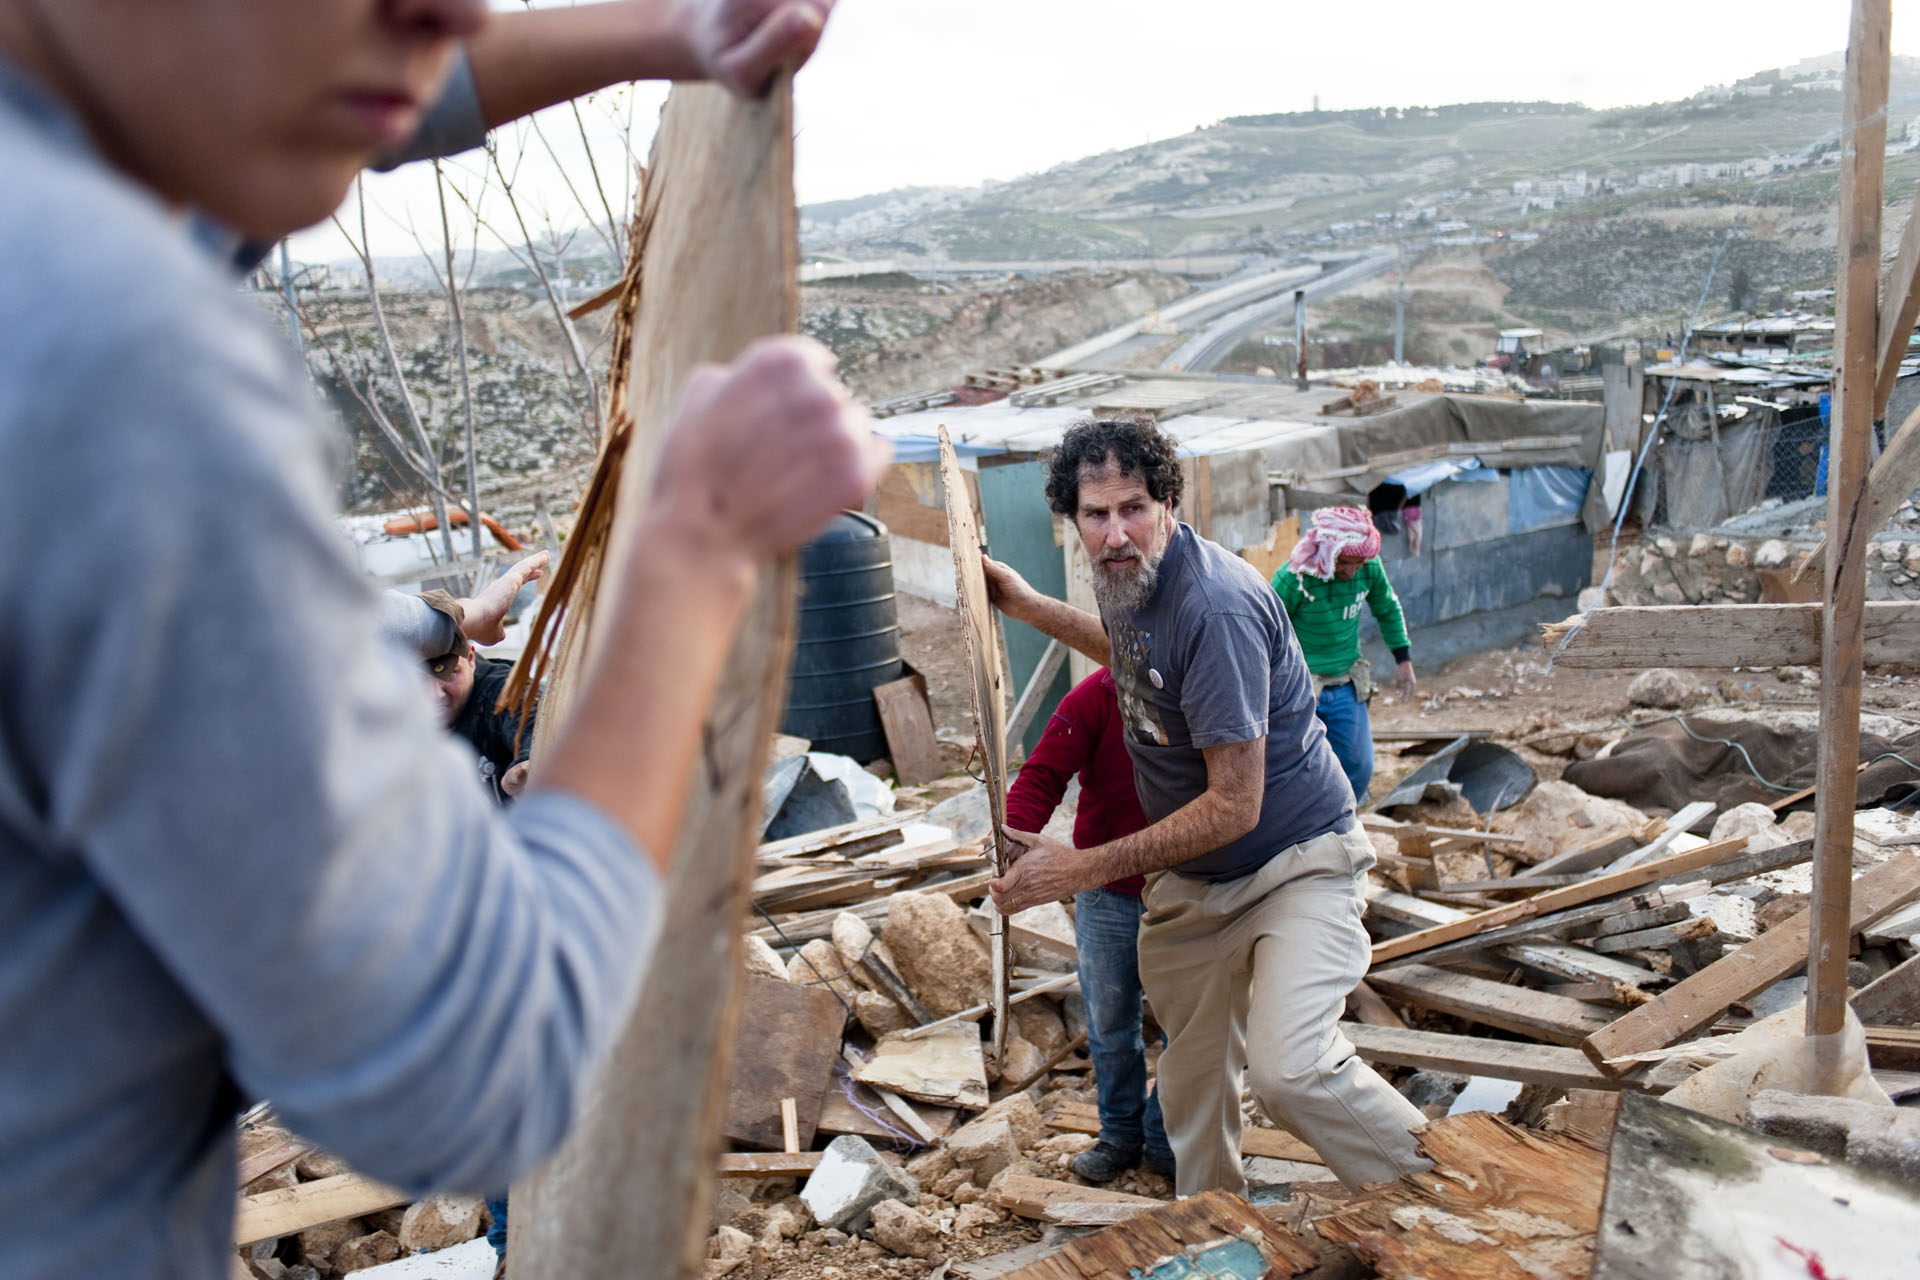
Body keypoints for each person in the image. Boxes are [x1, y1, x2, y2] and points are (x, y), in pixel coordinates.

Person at [0, 3, 883, 1277]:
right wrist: (692, 546)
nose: (455, 8)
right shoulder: (118, 358)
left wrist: (673, 32)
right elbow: (476, 1069)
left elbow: (354, 84)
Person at [981, 418, 1428, 1196]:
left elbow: (1234, 807)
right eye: (1096, 514)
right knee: (1189, 1093)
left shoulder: (1213, 606)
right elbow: (1141, 660)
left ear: (1169, 504)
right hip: (1196, 886)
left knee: (1293, 1072)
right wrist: (1026, 605)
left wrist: (1078, 869)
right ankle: (1218, 1226)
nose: (1116, 532)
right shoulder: (1130, 581)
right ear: (1073, 519)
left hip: (1295, 866)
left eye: (1134, 508)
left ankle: (1446, 1199)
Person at [1003, 669, 1175, 1184]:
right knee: (1109, 1026)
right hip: (1106, 895)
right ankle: (1120, 1135)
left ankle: (1167, 1141)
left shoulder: (1201, 688)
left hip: (1187, 891)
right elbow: (1041, 775)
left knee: (1185, 1031)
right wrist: (1014, 837)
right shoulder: (1095, 696)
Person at [1268, 506, 1417, 803]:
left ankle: (1345, 821)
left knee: (1358, 766)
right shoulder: (1293, 580)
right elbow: (1264, 634)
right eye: (1346, 562)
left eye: (1359, 563)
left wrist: (1403, 660)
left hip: (1345, 681)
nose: (1352, 571)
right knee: (1293, 769)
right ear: (1328, 551)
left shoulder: (1368, 568)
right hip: (1298, 688)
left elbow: (1387, 609)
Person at [382, 551, 551, 803]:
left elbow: (529, 713)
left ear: (471, 657)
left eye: (450, 674)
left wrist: (527, 762)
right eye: (419, 680)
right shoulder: (387, 710)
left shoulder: (499, 690)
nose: (436, 694)